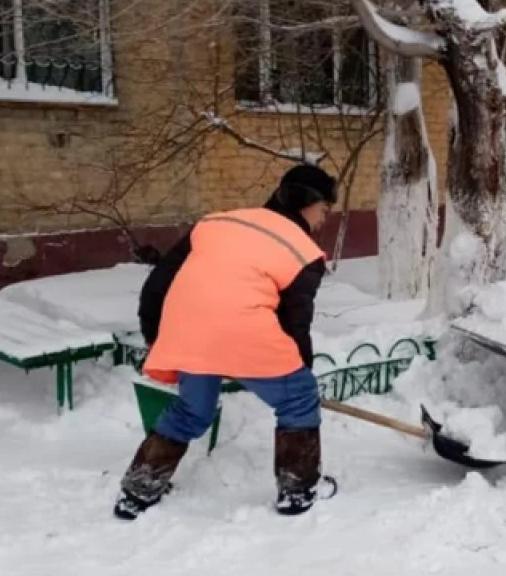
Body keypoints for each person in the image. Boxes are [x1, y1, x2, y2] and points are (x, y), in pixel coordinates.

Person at [113, 165, 338, 520]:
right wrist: (300, 376)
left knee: (192, 411)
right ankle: (299, 490)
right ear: (308, 203)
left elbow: (160, 281)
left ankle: (138, 490)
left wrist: (160, 337)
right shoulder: (302, 250)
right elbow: (295, 324)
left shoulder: (217, 223)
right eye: (325, 209)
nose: (324, 219)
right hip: (242, 333)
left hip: (187, 331)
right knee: (297, 398)